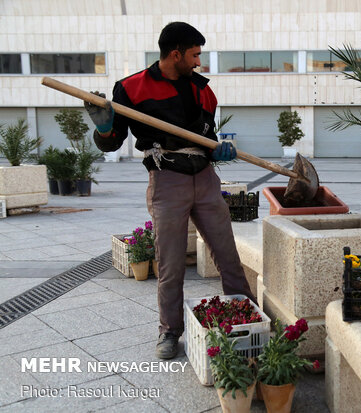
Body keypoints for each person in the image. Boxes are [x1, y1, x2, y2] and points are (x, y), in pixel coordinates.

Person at [84, 22, 255, 359]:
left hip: (205, 179)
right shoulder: (131, 88)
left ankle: (248, 320)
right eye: (194, 55)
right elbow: (111, 142)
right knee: (171, 264)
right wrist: (104, 128)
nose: (197, 62)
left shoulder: (204, 91)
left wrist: (217, 150)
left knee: (228, 257)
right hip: (167, 180)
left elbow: (206, 141)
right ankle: (169, 331)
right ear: (175, 53)